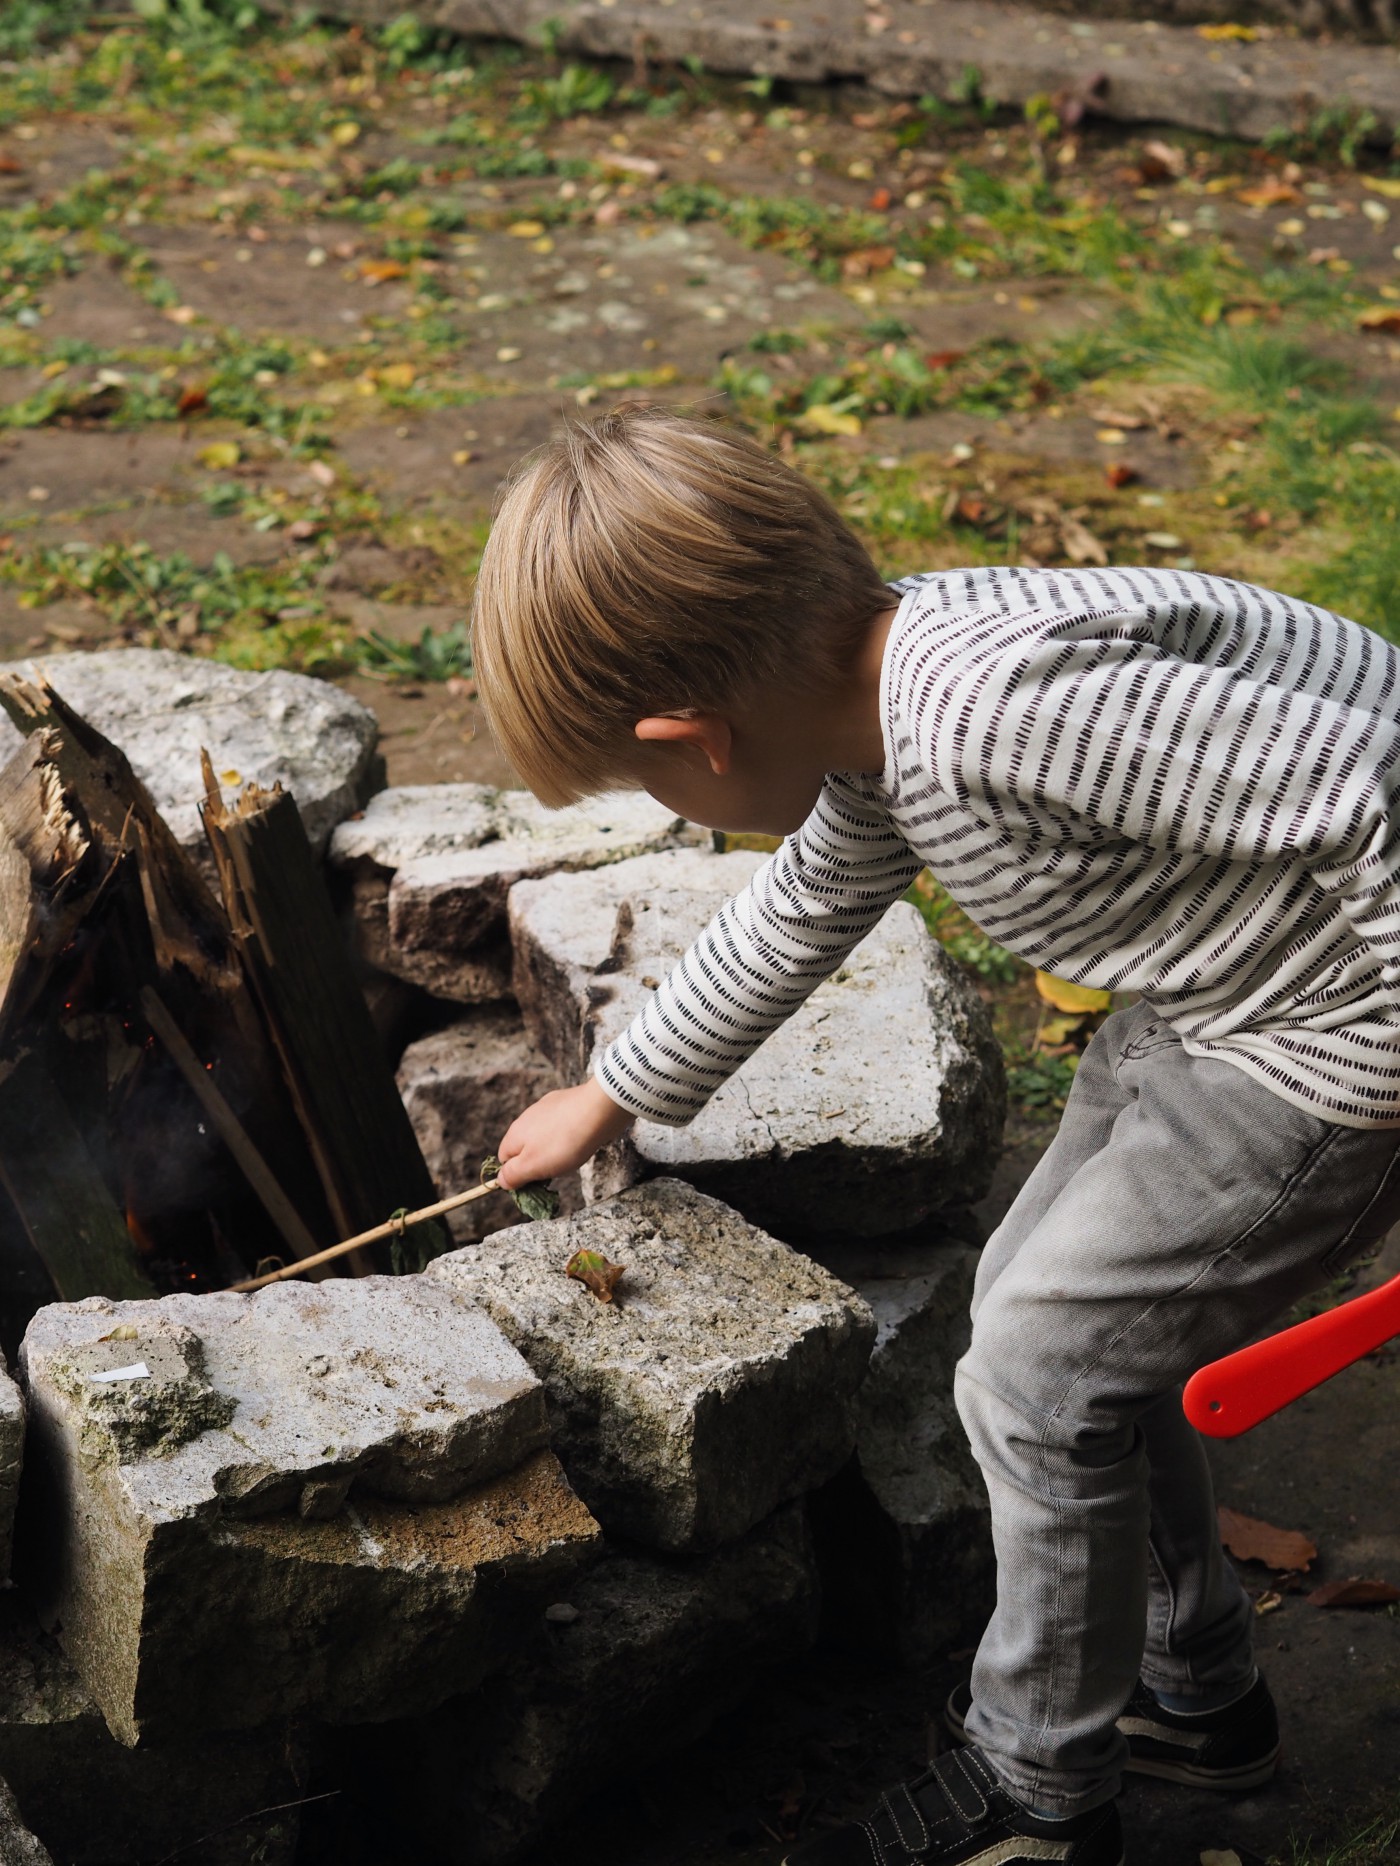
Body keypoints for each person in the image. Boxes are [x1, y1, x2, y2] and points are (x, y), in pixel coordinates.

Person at [473, 405, 1400, 1866]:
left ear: (692, 739)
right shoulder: (885, 697)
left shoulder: (989, 714)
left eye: (647, 784)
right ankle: (1191, 1688)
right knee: (1052, 1335)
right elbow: (806, 901)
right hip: (1220, 985)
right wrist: (622, 1085)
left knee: (1041, 1376)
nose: (676, 805)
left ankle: (1040, 1791)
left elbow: (1376, 790)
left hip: (1330, 1044)